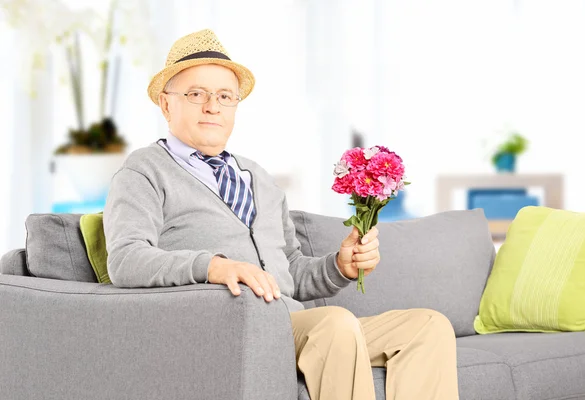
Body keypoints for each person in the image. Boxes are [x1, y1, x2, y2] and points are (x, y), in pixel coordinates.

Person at [104, 29, 459, 400]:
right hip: (230, 327)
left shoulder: (257, 177)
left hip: (292, 323)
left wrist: (340, 266)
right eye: (196, 94)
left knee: (428, 326)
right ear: (166, 104)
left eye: (225, 96)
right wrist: (213, 266)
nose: (213, 106)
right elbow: (126, 259)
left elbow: (290, 270)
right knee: (335, 325)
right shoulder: (144, 171)